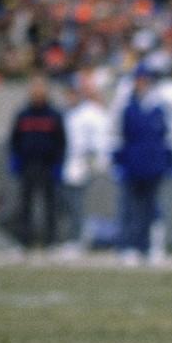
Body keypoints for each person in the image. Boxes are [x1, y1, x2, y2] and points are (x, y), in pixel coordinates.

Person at [112, 63, 172, 265]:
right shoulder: (126, 107)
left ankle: (150, 247)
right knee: (131, 208)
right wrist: (118, 162)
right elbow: (119, 137)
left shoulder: (159, 108)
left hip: (153, 165)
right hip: (133, 165)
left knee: (152, 208)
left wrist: (168, 161)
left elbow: (167, 137)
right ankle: (129, 246)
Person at [7, 74, 67, 250]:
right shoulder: (23, 114)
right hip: (28, 165)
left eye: (41, 88)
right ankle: (24, 242)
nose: (37, 91)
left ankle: (50, 242)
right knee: (25, 205)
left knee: (50, 206)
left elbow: (61, 141)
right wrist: (15, 160)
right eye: (35, 87)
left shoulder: (54, 115)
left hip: (47, 165)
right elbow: (14, 140)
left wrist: (58, 163)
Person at [59, 71, 112, 256]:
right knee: (70, 205)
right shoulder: (70, 113)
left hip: (83, 165)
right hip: (69, 164)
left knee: (78, 206)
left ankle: (78, 240)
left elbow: (96, 143)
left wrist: (93, 163)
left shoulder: (91, 113)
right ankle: (75, 238)